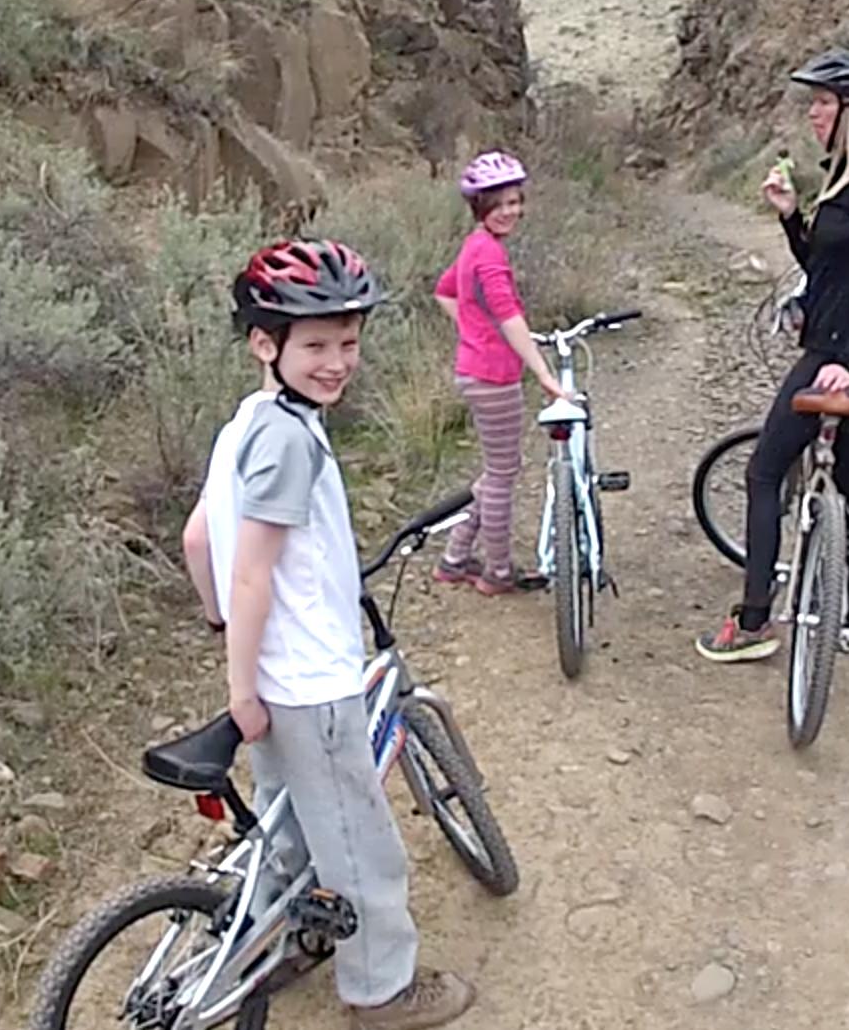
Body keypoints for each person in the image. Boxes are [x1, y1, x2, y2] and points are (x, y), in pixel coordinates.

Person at [178, 238, 476, 1030]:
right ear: (264, 343)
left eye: (348, 341)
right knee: (361, 847)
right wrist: (241, 687)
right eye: (315, 345)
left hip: (276, 679)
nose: (337, 362)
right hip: (310, 684)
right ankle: (381, 990)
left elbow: (199, 540)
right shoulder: (289, 441)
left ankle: (287, 933)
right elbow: (253, 573)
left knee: (289, 825)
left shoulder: (248, 422)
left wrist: (225, 633)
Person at [697, 50, 849, 664]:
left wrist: (848, 360)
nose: (813, 113)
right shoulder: (844, 178)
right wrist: (791, 217)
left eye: (823, 103)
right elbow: (824, 268)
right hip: (836, 349)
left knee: (764, 472)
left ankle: (754, 620)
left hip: (839, 355)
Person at [430, 151, 570, 595]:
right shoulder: (488, 256)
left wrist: (473, 328)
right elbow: (509, 317)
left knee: (498, 471)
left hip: (478, 371)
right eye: (499, 204)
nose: (510, 211)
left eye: (515, 202)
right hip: (493, 377)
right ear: (480, 206)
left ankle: (454, 559)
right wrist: (544, 374)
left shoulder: (475, 245)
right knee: (502, 475)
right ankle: (498, 571)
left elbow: (445, 292)